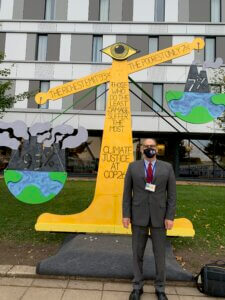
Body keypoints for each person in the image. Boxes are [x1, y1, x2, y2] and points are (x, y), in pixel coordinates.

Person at [122, 138, 176, 300]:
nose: (149, 148)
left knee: (160, 254)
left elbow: (172, 195)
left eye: (152, 146)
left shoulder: (167, 168)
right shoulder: (133, 167)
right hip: (138, 215)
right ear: (141, 149)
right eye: (146, 146)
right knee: (137, 253)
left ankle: (160, 288)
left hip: (160, 217)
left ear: (156, 149)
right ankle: (137, 287)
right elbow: (127, 194)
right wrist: (126, 214)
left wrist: (170, 216)